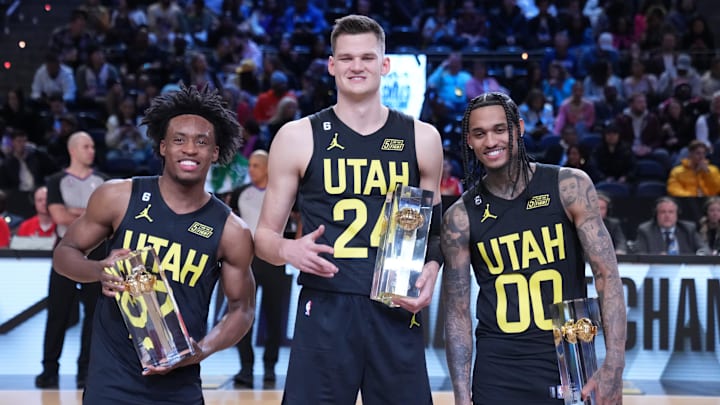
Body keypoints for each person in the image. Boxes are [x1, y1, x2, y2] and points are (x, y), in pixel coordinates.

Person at [253, 15, 444, 404]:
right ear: (332, 65)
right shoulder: (297, 136)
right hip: (325, 305)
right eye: (347, 58)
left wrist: (432, 267)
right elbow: (263, 237)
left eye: (367, 57)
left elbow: (436, 233)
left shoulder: (422, 138)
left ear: (385, 64)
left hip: (394, 306)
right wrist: (288, 249)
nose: (357, 66)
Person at [51, 84, 256, 403]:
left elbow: (242, 310)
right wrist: (98, 270)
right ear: (162, 146)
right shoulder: (117, 197)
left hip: (179, 386)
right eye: (179, 139)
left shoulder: (231, 230)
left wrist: (199, 351)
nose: (190, 149)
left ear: (215, 152)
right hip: (111, 382)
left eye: (201, 142)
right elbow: (64, 254)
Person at [441, 91, 626, 404]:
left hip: (571, 356)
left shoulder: (570, 186)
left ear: (519, 129)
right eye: (479, 133)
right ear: (469, 141)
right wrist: (460, 394)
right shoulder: (460, 216)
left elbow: (607, 276)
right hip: (498, 368)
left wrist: (614, 365)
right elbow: (457, 312)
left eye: (500, 129)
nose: (491, 141)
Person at [35, 132, 107, 389]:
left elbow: (105, 217)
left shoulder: (103, 181)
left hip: (98, 254)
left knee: (93, 316)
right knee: (57, 314)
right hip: (65, 252)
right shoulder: (56, 180)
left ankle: (85, 371)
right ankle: (49, 370)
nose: (92, 150)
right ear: (73, 150)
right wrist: (90, 214)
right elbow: (58, 215)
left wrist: (74, 212)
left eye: (92, 146)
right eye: (86, 146)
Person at [229, 149, 292, 388]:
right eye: (250, 165)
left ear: (267, 168)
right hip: (248, 260)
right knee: (243, 313)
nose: (251, 169)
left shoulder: (281, 194)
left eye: (256, 165)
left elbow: (298, 219)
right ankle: (246, 368)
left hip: (274, 262)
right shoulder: (240, 193)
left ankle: (270, 368)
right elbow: (232, 224)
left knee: (274, 317)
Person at [633, 196, 710, 255]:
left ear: (677, 214)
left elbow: (704, 249)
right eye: (663, 212)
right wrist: (655, 257)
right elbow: (639, 254)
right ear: (656, 215)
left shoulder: (688, 229)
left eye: (671, 212)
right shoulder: (645, 230)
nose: (667, 216)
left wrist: (700, 256)